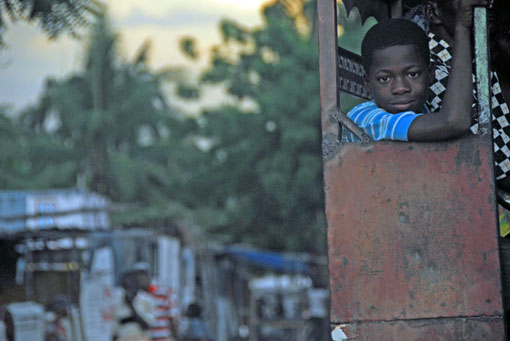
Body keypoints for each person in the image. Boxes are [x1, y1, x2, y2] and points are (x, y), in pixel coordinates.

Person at [345, 0, 491, 143]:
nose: (401, 88)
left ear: (431, 74)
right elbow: (454, 122)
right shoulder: (365, 119)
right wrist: (462, 28)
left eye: (412, 74)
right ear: (368, 82)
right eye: (384, 79)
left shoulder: (424, 112)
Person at [422, 0, 510, 188]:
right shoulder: (429, 70)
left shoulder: (475, 60)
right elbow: (493, 163)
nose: (484, 4)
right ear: (433, 13)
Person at [132, 263, 176, 341]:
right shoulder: (135, 297)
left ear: (149, 276)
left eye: (143, 275)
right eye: (138, 276)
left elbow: (172, 317)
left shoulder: (162, 293)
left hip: (162, 337)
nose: (141, 278)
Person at [113, 270, 155, 341]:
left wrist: (131, 306)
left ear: (136, 284)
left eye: (131, 283)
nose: (128, 286)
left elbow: (146, 326)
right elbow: (115, 329)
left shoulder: (146, 300)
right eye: (125, 284)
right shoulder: (118, 301)